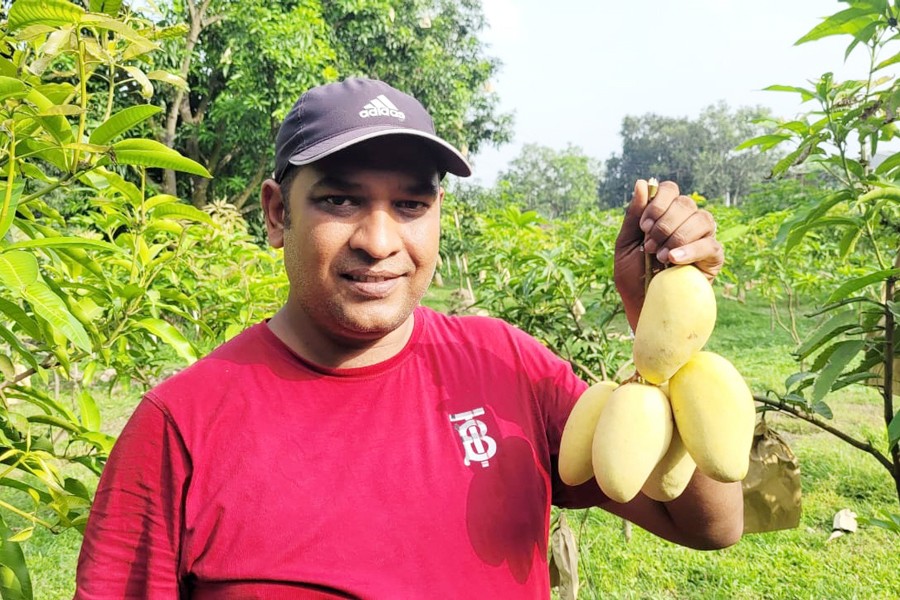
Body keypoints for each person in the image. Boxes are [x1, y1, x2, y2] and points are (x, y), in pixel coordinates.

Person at [75, 77, 741, 599]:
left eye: (411, 205)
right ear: (277, 214)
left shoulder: (508, 366)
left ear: (438, 215)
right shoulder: (180, 427)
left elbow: (708, 523)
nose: (379, 240)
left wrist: (660, 323)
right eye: (339, 201)